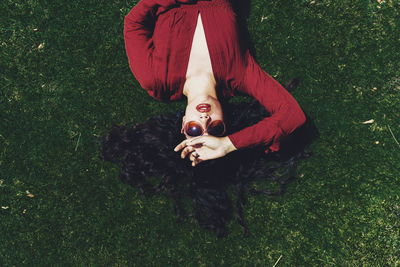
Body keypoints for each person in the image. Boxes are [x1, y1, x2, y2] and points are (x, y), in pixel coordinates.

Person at [124, 0, 306, 167]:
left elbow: (133, 24)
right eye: (215, 128)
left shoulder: (156, 80)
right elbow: (292, 116)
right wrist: (228, 145)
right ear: (225, 120)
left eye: (194, 129)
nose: (205, 119)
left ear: (184, 122)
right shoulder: (241, 75)